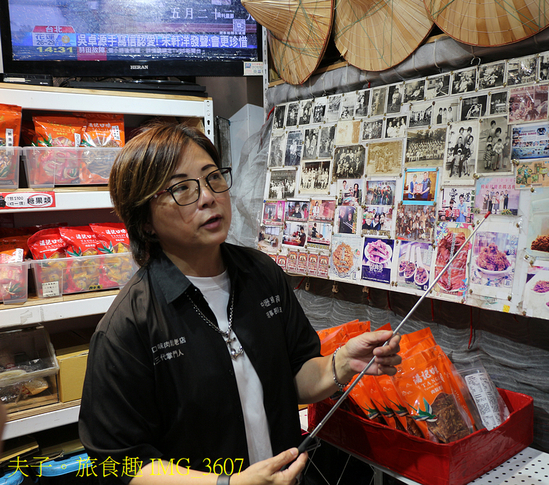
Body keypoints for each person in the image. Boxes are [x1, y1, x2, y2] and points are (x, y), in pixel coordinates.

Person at [79, 123, 401, 485]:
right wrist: (227, 484)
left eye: (213, 177)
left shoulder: (260, 273)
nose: (207, 196)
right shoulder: (127, 327)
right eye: (182, 188)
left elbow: (294, 376)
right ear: (145, 222)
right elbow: (122, 460)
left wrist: (341, 363)